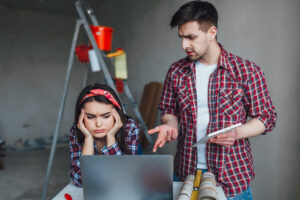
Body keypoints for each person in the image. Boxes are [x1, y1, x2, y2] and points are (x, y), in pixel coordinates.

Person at [148, 1, 277, 199]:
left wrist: (237, 133)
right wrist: (169, 124)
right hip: (186, 173)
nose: (184, 45)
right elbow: (169, 110)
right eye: (181, 38)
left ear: (212, 32)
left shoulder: (246, 70)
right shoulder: (176, 71)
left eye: (191, 37)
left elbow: (266, 117)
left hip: (232, 177)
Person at [69, 83, 140, 187]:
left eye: (106, 116)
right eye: (90, 117)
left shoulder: (130, 127)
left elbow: (124, 178)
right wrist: (88, 139)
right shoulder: (77, 129)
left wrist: (111, 138)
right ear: (81, 116)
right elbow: (79, 181)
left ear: (116, 114)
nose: (98, 124)